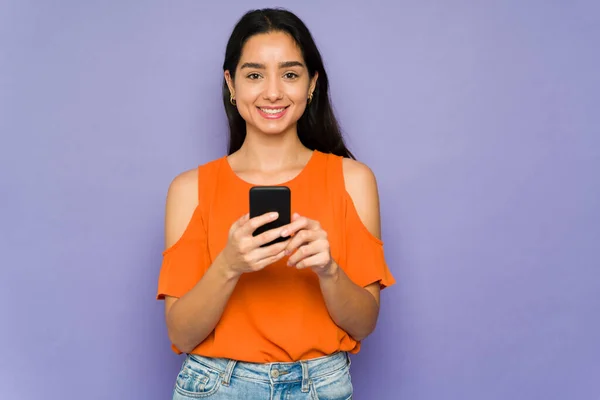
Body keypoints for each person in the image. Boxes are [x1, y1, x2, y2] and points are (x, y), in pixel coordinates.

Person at [156, 7, 395, 400]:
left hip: (322, 385)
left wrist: (329, 270)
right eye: (254, 75)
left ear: (312, 83)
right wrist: (229, 265)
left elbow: (364, 324)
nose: (272, 92)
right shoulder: (189, 189)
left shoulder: (354, 181)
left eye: (290, 74)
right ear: (231, 84)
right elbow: (181, 335)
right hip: (215, 387)